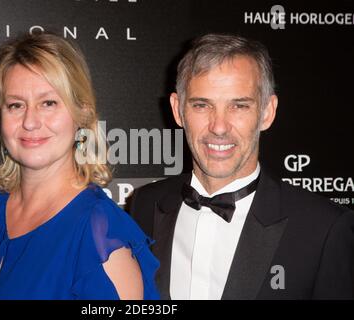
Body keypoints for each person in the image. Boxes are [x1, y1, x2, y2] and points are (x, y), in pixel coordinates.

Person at [0, 33, 159, 300]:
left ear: (83, 114)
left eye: (48, 103)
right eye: (16, 105)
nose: (30, 121)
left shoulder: (99, 236)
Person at [129, 33, 354, 299]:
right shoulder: (145, 205)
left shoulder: (323, 229)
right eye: (202, 105)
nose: (219, 127)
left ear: (267, 112)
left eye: (239, 106)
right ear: (178, 110)